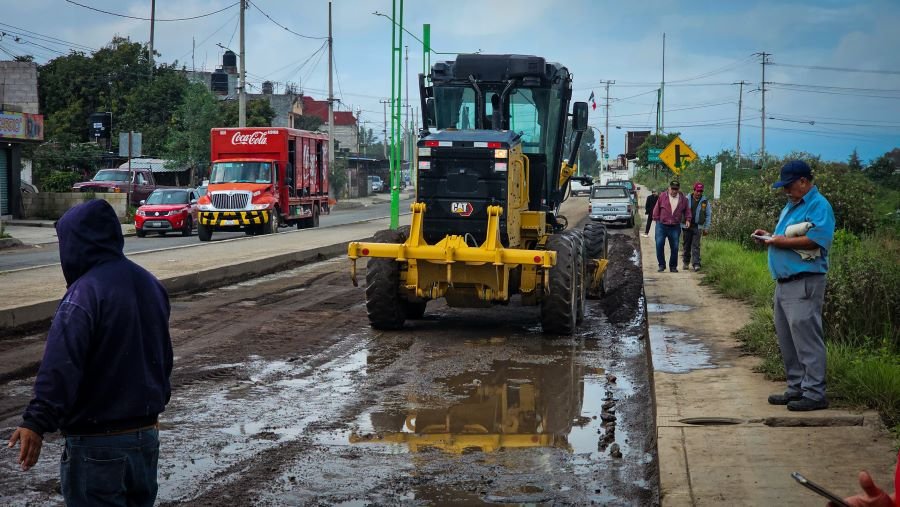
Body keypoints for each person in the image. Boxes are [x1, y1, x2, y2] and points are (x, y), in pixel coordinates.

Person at [7, 199, 173, 506]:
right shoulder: (151, 284)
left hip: (97, 445)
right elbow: (162, 358)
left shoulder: (84, 294)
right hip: (145, 437)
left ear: (77, 243)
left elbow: (61, 366)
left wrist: (36, 421)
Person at [754, 160, 835, 412]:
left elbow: (816, 240)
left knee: (807, 339)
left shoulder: (818, 205)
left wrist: (778, 243)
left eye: (789, 185)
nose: (786, 191)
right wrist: (770, 236)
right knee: (788, 339)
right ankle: (797, 386)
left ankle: (814, 392)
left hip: (804, 282)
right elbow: (788, 237)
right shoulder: (792, 205)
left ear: (803, 181)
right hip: (785, 283)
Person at [652, 180, 690, 272]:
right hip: (661, 225)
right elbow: (657, 207)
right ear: (669, 188)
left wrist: (688, 219)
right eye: (672, 189)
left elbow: (687, 210)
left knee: (675, 247)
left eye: (676, 189)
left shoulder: (683, 199)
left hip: (675, 226)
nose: (674, 191)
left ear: (678, 189)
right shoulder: (662, 196)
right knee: (659, 244)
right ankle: (661, 265)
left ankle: (673, 266)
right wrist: (655, 218)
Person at [682, 182, 712, 271]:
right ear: (694, 190)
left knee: (696, 245)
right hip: (687, 225)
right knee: (686, 245)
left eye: (701, 191)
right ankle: (686, 262)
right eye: (697, 191)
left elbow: (708, 215)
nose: (699, 193)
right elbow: (681, 212)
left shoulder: (705, 201)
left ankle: (696, 263)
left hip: (697, 226)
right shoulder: (686, 199)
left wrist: (706, 228)